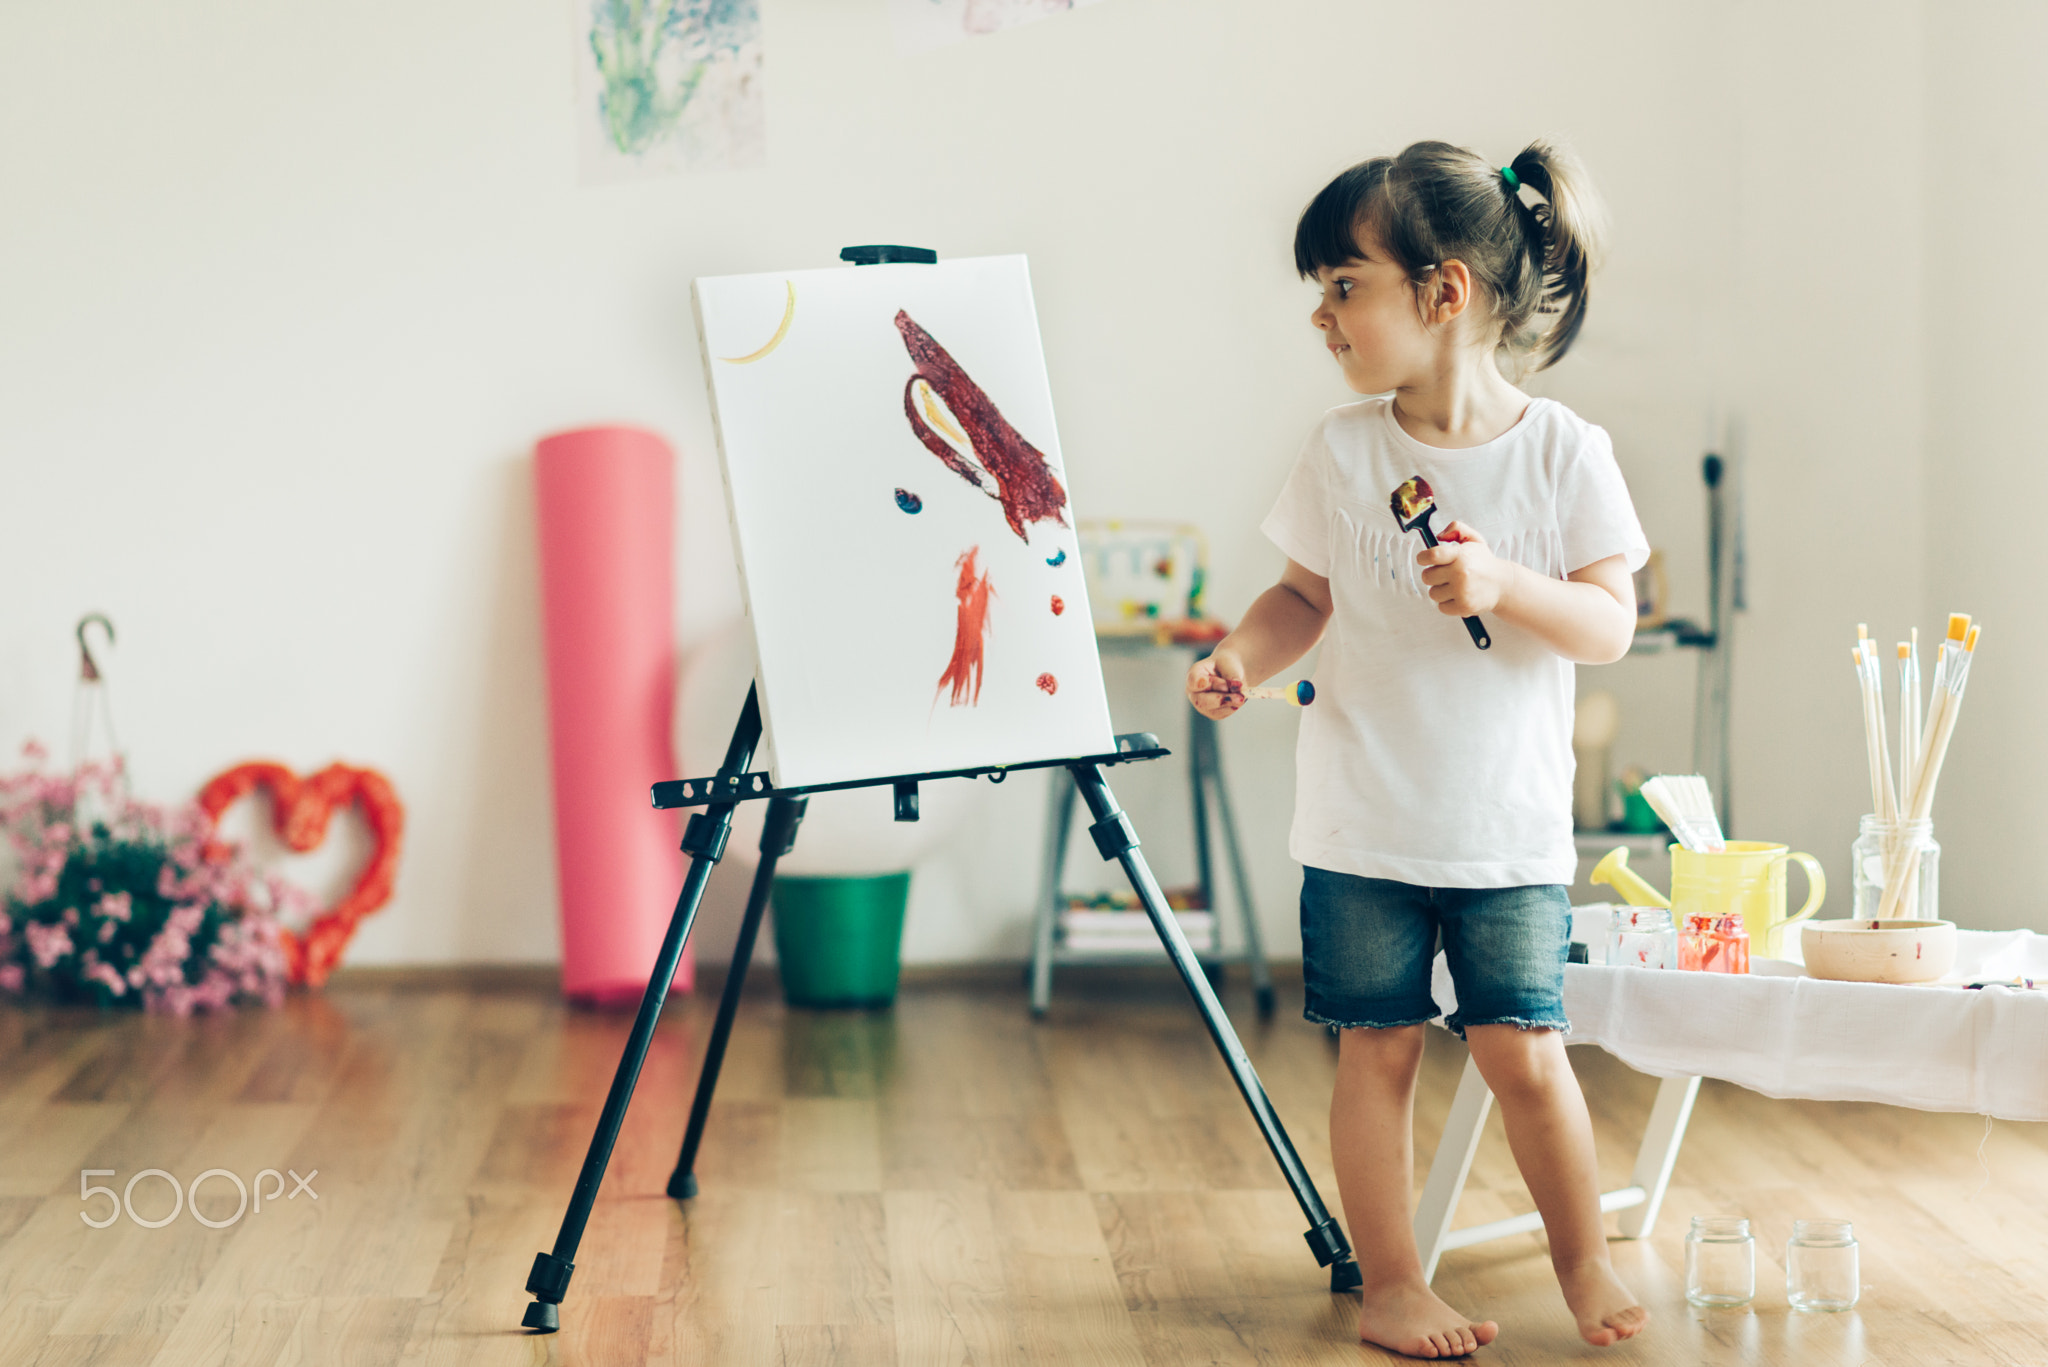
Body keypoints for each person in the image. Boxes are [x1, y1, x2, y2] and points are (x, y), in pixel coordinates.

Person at [1187, 140, 1650, 1358]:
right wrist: (1242, 652)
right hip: (1360, 817)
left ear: (1442, 294)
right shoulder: (1343, 452)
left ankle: (1582, 1260)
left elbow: (1607, 624)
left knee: (1524, 1052)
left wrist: (1503, 577)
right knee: (1373, 1052)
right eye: (1321, 289)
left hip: (1501, 825)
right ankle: (1391, 1280)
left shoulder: (1563, 452)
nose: (1320, 313)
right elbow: (1300, 595)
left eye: (1345, 283)